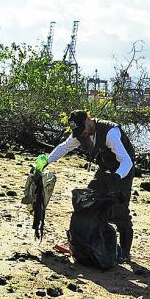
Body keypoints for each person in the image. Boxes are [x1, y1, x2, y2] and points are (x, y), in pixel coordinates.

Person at [43, 110, 136, 263]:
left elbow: (127, 161)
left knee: (120, 211)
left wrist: (117, 176)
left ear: (88, 119)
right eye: (78, 132)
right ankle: (90, 242)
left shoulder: (110, 133)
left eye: (83, 129)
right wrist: (46, 161)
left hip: (122, 171)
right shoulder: (80, 133)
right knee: (88, 202)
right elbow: (64, 147)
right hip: (104, 169)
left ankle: (125, 253)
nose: (82, 134)